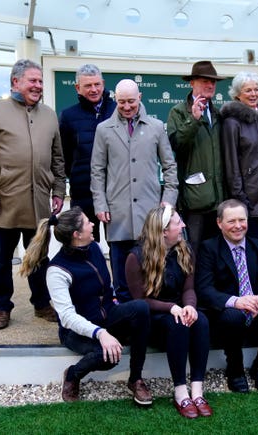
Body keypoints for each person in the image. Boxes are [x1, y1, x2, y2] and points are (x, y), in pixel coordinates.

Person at [19, 207, 153, 405]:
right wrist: (100, 333)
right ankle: (73, 375)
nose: (92, 224)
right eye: (88, 222)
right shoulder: (57, 270)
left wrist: (114, 303)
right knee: (108, 356)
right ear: (77, 235)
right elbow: (67, 317)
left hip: (106, 316)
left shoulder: (95, 248)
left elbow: (106, 286)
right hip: (75, 331)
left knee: (141, 308)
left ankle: (136, 379)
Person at [0, 59, 66, 330]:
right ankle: (2, 307)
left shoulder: (49, 114)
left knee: (39, 257)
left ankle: (41, 303)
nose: (38, 86)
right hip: (2, 204)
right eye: (32, 81)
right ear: (15, 82)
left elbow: (57, 158)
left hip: (39, 204)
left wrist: (59, 189)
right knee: (1, 261)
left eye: (40, 81)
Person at [91, 79, 178, 303]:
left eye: (131, 101)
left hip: (150, 214)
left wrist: (168, 200)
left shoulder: (156, 127)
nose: (127, 106)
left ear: (140, 97)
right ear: (115, 100)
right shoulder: (103, 130)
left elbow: (169, 166)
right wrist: (100, 205)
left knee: (150, 272)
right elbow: (97, 170)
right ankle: (125, 315)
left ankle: (149, 315)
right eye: (121, 102)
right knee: (120, 275)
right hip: (117, 213)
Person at [196, 199, 258, 394]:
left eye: (242, 220)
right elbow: (204, 289)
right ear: (219, 223)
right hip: (227, 314)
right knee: (234, 315)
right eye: (231, 221)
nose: (238, 226)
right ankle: (235, 371)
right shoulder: (208, 248)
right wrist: (236, 301)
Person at [126, 205, 212, 419]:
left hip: (179, 309)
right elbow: (140, 301)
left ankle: (198, 391)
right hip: (153, 317)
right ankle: (180, 392)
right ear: (164, 230)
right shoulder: (136, 257)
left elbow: (189, 288)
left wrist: (190, 306)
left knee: (200, 320)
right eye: (178, 223)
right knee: (178, 323)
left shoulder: (185, 249)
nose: (183, 225)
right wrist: (172, 308)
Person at [167, 61, 226, 255]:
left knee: (215, 253)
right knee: (192, 252)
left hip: (218, 199)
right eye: (204, 81)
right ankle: (191, 287)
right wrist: (193, 119)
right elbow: (176, 145)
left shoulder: (218, 113)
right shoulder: (178, 111)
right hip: (195, 200)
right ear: (192, 83)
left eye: (213, 82)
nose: (210, 85)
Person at [220, 71, 258, 244]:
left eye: (256, 89)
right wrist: (242, 200)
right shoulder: (232, 122)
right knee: (253, 249)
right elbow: (231, 165)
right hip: (250, 202)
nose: (253, 94)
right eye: (248, 90)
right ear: (238, 94)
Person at [59, 63, 116, 242]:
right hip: (83, 193)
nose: (94, 89)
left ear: (103, 84)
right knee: (85, 246)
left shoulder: (118, 111)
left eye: (97, 84)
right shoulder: (68, 116)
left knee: (118, 246)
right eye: (88, 85)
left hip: (115, 193)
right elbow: (64, 156)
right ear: (78, 88)